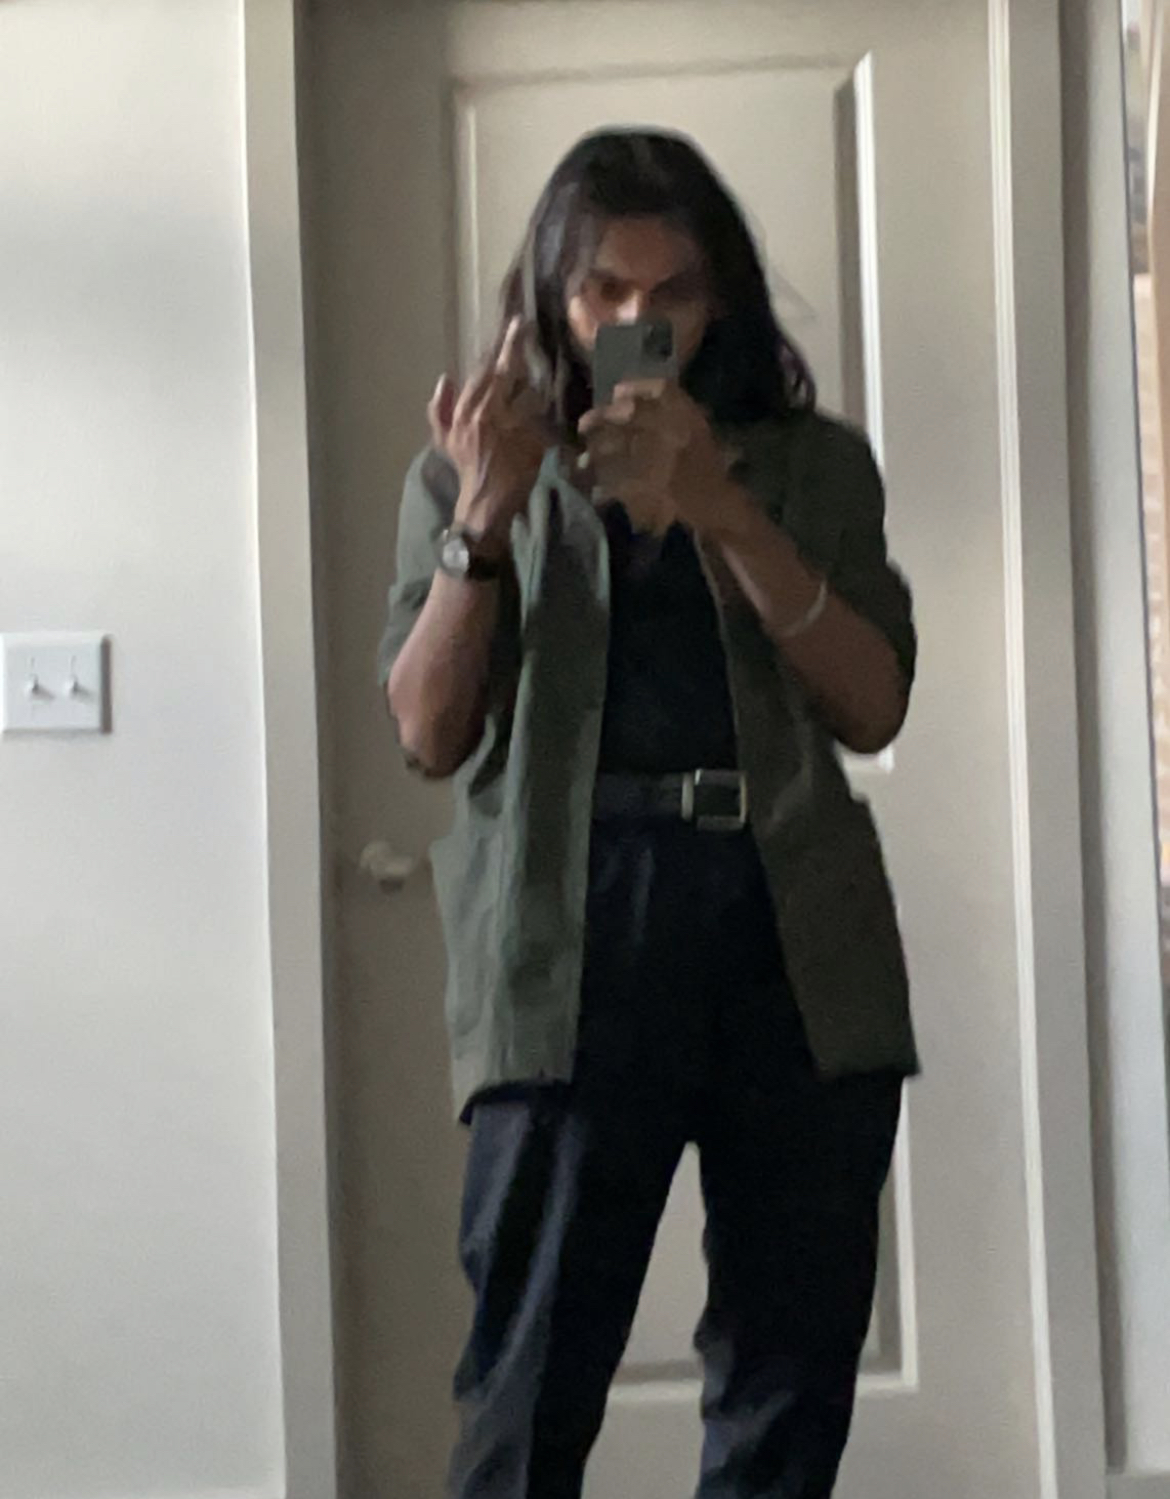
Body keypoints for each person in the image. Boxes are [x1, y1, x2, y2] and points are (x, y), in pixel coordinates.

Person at [379, 128, 919, 1499]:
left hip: (789, 936)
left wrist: (721, 508)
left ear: (719, 293)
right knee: (527, 1386)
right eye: (602, 291)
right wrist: (483, 518)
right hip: (568, 938)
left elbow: (872, 705)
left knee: (788, 1384)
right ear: (548, 298)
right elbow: (428, 733)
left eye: (671, 290)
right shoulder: (471, 468)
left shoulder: (810, 467)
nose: (638, 319)